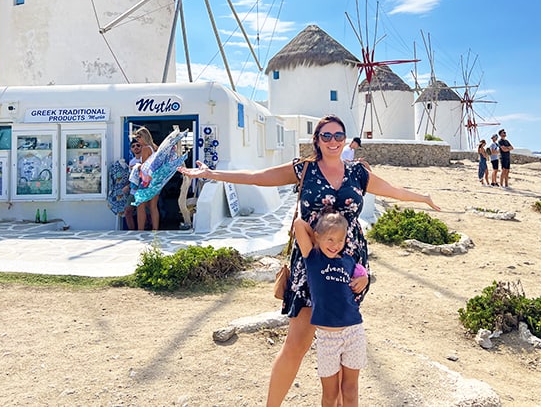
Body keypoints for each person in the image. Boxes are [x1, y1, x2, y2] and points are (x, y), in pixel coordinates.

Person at [178, 114, 439, 406]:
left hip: (349, 266)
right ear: (316, 139)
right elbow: (256, 177)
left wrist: (424, 197)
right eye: (326, 136)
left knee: (340, 342)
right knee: (296, 344)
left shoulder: (358, 173)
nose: (333, 141)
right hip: (312, 264)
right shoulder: (305, 169)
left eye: (338, 136)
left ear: (345, 139)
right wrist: (212, 175)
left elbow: (394, 191)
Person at [293, 211, 366, 407]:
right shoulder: (313, 257)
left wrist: (364, 277)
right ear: (317, 237)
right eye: (330, 239)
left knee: (350, 390)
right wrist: (317, 237)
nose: (335, 245)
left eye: (340, 240)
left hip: (354, 333)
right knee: (330, 394)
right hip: (328, 339)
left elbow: (362, 273)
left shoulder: (349, 261)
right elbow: (299, 224)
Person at [133, 126, 160, 231]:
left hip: (146, 180)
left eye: (139, 137)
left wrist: (137, 166)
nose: (137, 140)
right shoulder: (154, 147)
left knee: (140, 205)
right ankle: (155, 230)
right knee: (153, 206)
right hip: (156, 180)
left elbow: (144, 167)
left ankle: (140, 230)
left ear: (144, 136)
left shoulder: (145, 149)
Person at [122, 140, 142, 229]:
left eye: (138, 145)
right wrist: (128, 186)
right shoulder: (132, 162)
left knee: (144, 213)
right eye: (133, 146)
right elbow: (132, 177)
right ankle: (132, 232)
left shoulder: (145, 159)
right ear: (131, 149)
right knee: (127, 211)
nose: (136, 147)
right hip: (133, 191)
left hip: (144, 190)